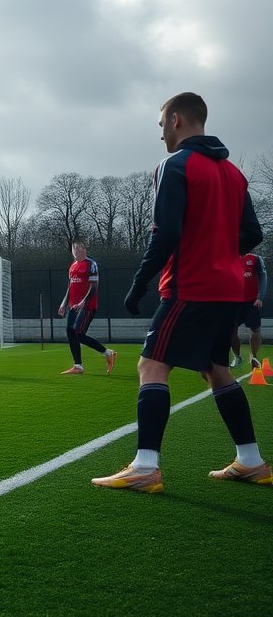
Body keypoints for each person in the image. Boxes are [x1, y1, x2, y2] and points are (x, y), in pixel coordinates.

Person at [94, 92, 268, 492]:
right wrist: (222, 252)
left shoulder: (175, 164)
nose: (160, 136)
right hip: (228, 288)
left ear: (175, 120)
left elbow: (166, 233)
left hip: (191, 286)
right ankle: (252, 462)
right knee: (217, 370)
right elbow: (253, 233)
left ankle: (145, 467)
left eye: (160, 126)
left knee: (151, 367)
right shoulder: (234, 173)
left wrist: (139, 284)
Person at [57, 240, 118, 375]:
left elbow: (94, 286)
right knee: (70, 332)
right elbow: (70, 286)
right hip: (73, 306)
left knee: (78, 333)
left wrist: (83, 302)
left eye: (80, 248)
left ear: (85, 250)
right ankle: (78, 366)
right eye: (75, 249)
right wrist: (63, 302)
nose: (78, 251)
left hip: (87, 306)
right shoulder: (72, 266)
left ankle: (107, 353)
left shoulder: (91, 264)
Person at [229, 252, 266, 369]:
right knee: (231, 330)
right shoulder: (229, 257)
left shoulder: (255, 259)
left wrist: (260, 297)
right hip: (233, 302)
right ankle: (237, 356)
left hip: (252, 301)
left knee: (255, 329)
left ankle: (254, 357)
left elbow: (263, 276)